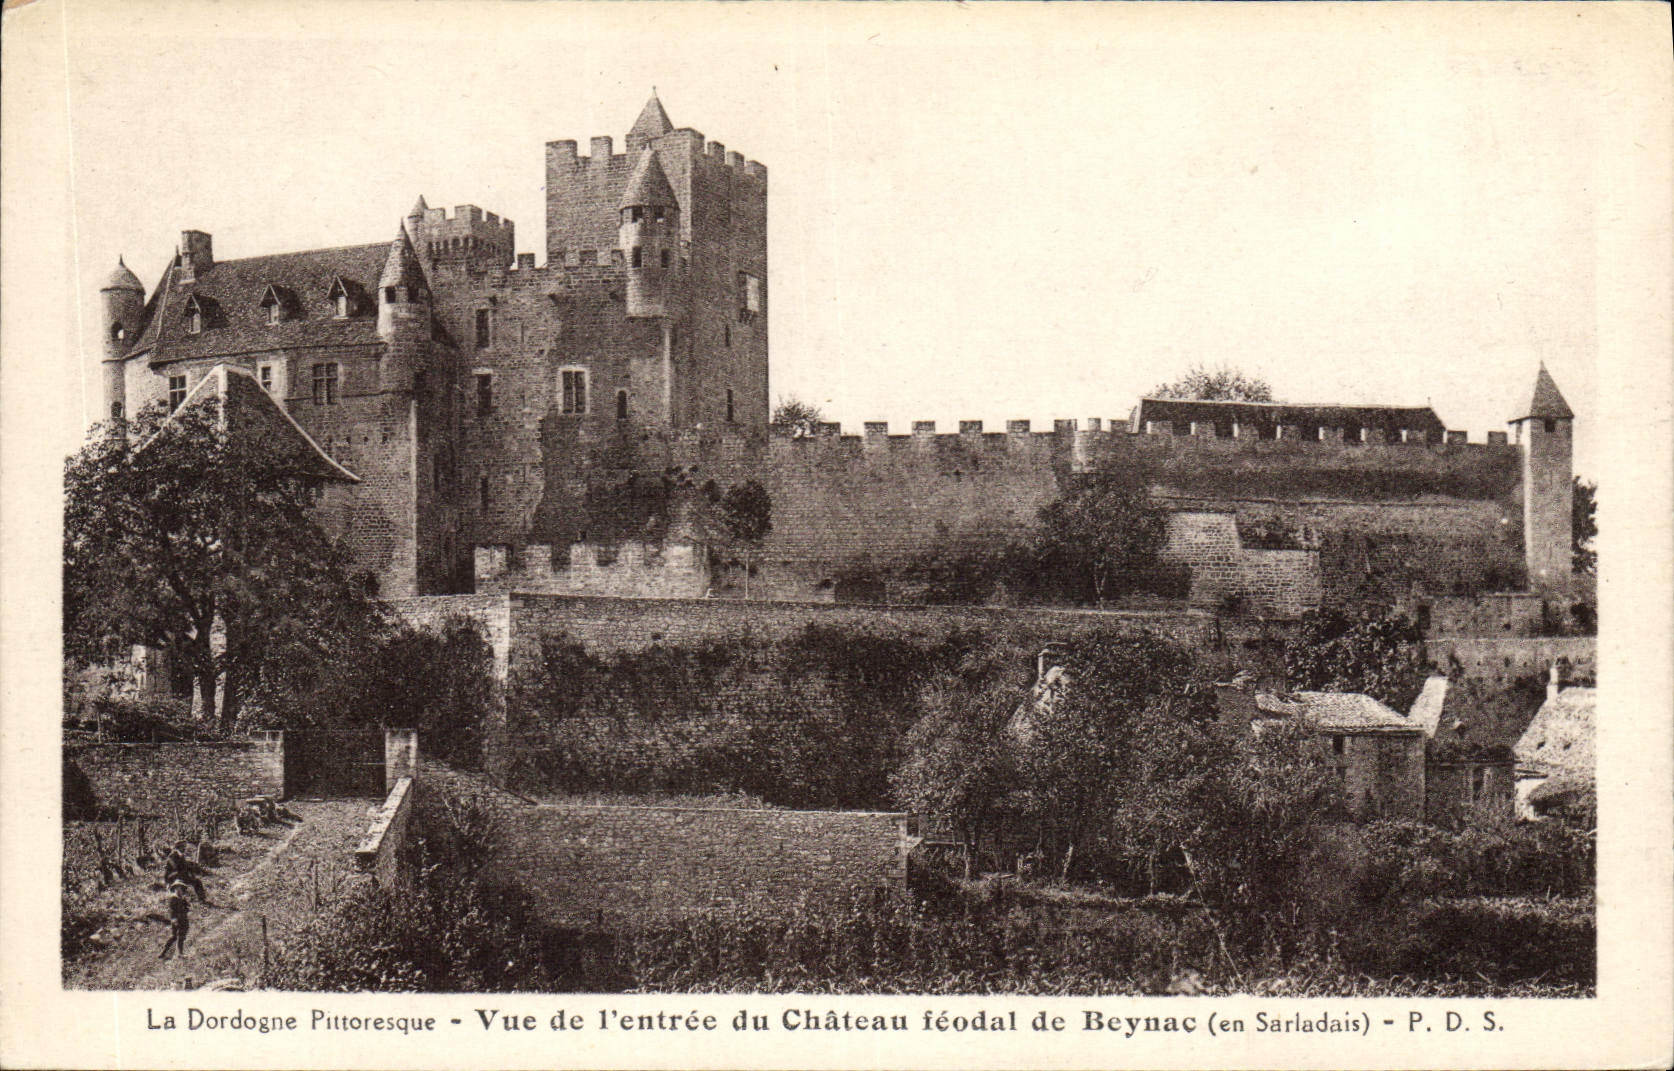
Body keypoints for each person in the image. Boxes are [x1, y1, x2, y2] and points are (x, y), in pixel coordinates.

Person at [158, 881, 191, 959]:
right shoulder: (173, 898)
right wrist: (174, 919)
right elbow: (172, 910)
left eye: (181, 888)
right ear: (175, 889)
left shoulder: (182, 899)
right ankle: (164, 952)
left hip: (184, 919)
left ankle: (180, 953)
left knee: (181, 937)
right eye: (177, 888)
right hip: (177, 920)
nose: (179, 890)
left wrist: (186, 906)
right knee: (174, 936)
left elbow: (187, 908)